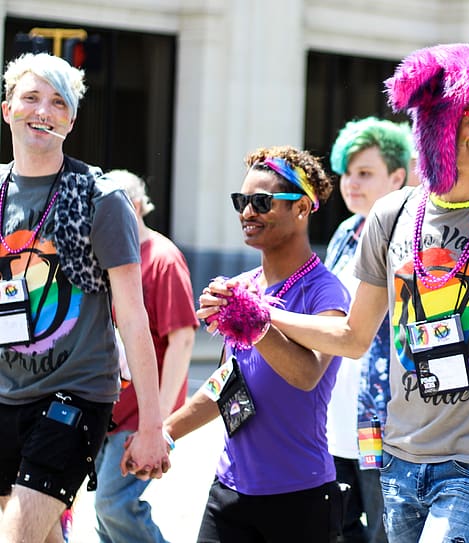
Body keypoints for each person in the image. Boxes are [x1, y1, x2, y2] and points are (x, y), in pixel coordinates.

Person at [199, 43, 469, 543]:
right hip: (400, 458)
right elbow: (353, 337)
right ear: (442, 123)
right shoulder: (391, 214)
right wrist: (261, 315)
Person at [0, 53, 170, 542]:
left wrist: (152, 426)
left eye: (58, 103)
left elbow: (134, 317)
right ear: (7, 109)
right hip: (6, 393)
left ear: (71, 121)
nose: (43, 111)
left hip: (73, 394)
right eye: (31, 98)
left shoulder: (100, 196)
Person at [164, 145, 350, 542]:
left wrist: (256, 324)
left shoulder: (326, 293)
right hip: (228, 493)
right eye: (241, 201)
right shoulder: (243, 287)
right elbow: (226, 384)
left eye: (261, 202)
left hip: (300, 498)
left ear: (301, 208)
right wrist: (165, 433)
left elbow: (306, 374)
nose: (247, 212)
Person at [93, 170, 198, 543]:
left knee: (113, 505)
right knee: (106, 516)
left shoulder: (163, 259)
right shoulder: (110, 258)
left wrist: (160, 424)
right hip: (108, 408)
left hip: (142, 416)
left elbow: (182, 342)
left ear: (134, 207)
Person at [325, 117, 412, 543]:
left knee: (386, 529)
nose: (350, 183)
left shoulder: (410, 237)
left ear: (397, 177)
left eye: (365, 173)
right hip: (334, 412)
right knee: (335, 527)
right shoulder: (344, 233)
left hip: (381, 414)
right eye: (346, 172)